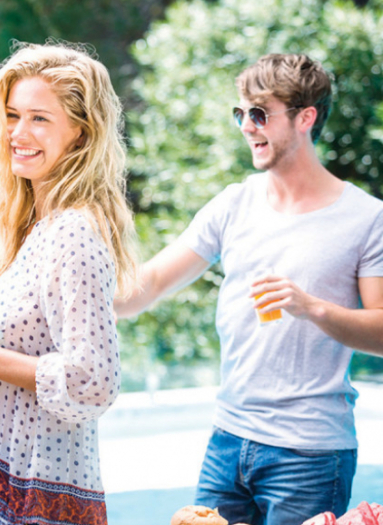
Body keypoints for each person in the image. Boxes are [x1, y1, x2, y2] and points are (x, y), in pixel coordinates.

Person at [114, 54, 383, 525]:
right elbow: (150, 283)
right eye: (240, 113)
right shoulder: (233, 203)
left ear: (305, 117)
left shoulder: (366, 218)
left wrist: (311, 307)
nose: (245, 126)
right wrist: (77, 292)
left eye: (259, 113)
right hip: (227, 441)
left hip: (311, 453)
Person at [0, 43, 138, 525]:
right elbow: (36, 342)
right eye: (13, 116)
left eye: (39, 119)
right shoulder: (34, 226)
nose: (18, 133)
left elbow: (93, 382)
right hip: (3, 485)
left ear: (81, 132)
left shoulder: (74, 232)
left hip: (38, 495)